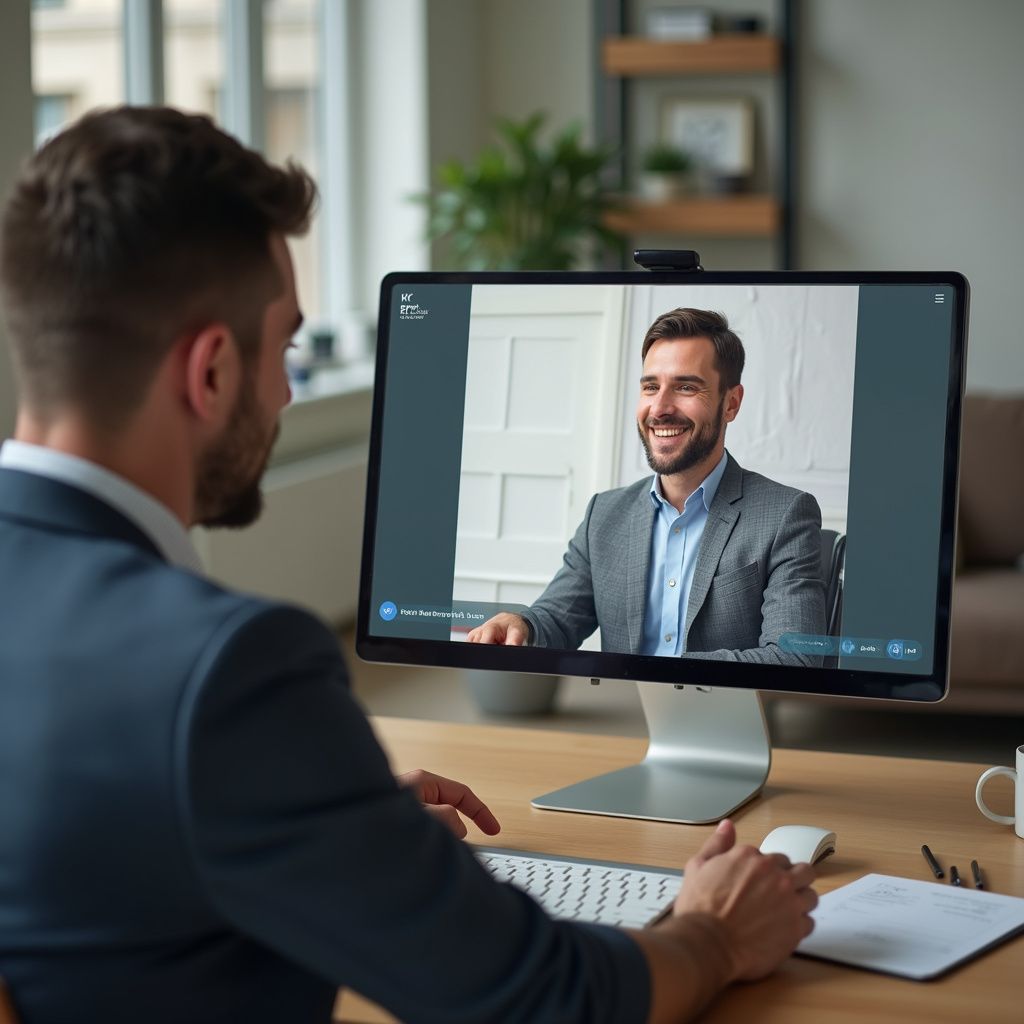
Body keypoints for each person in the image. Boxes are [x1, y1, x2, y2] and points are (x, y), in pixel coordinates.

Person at [0, 107, 817, 1024]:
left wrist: (317, 811)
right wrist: (712, 932)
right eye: (288, 352)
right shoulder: (228, 670)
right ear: (214, 372)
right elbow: (545, 998)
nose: (283, 391)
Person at [467, 308, 826, 664]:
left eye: (686, 387)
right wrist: (522, 623)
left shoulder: (784, 515)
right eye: (651, 387)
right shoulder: (603, 515)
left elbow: (795, 658)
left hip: (722, 719)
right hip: (620, 718)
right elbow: (557, 619)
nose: (660, 408)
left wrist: (667, 678)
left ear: (730, 403)